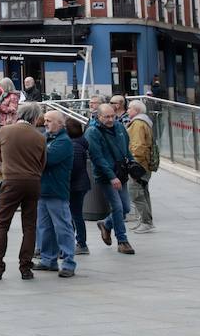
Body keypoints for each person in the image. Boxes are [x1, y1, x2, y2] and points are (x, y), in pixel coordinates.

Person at [0, 102, 46, 280]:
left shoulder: (5, 131)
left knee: (2, 224)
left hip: (11, 181)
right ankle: (25, 267)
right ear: (35, 118)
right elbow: (42, 164)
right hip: (33, 182)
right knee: (30, 226)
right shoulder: (40, 137)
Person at [86, 103, 135, 255]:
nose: (110, 119)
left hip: (121, 173)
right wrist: (112, 177)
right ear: (98, 116)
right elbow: (98, 158)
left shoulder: (120, 127)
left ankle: (106, 225)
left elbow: (126, 148)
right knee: (118, 207)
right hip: (106, 176)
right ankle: (122, 240)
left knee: (126, 207)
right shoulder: (92, 132)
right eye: (106, 117)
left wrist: (133, 165)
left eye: (112, 116)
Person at [33, 110, 76, 277]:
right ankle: (48, 260)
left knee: (62, 227)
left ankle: (68, 262)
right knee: (44, 227)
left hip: (56, 191)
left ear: (60, 123)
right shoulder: (45, 138)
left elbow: (46, 160)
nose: (45, 123)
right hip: (43, 190)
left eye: (49, 121)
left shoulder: (64, 141)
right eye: (45, 120)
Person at [126, 99, 157, 233]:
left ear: (136, 110)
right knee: (143, 192)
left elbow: (137, 146)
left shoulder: (138, 124)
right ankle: (146, 221)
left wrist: (133, 164)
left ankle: (146, 222)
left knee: (136, 193)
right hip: (144, 163)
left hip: (139, 165)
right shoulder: (144, 122)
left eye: (129, 108)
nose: (127, 111)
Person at [66, 118, 91, 255]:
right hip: (80, 184)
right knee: (76, 214)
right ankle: (79, 242)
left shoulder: (74, 146)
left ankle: (81, 243)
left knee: (75, 214)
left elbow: (73, 169)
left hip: (75, 186)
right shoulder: (81, 143)